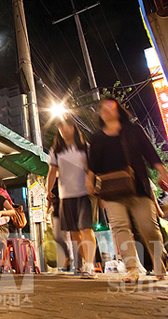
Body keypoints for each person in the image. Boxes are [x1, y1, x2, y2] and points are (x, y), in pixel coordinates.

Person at [86, 97, 168, 283]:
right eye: (103, 109)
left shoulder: (134, 130)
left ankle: (159, 261)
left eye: (111, 107)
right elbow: (93, 164)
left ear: (118, 110)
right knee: (119, 227)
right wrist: (90, 182)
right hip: (111, 191)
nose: (106, 111)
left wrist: (163, 173)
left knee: (148, 228)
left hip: (138, 188)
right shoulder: (97, 137)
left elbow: (151, 154)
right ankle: (132, 268)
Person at [46, 117, 97, 278]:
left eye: (65, 126)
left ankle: (89, 265)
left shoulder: (85, 148)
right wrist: (48, 191)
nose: (63, 129)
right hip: (65, 196)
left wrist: (91, 183)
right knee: (74, 234)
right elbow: (52, 172)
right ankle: (87, 262)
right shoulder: (56, 151)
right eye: (60, 127)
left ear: (73, 128)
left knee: (86, 228)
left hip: (84, 194)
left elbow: (92, 169)